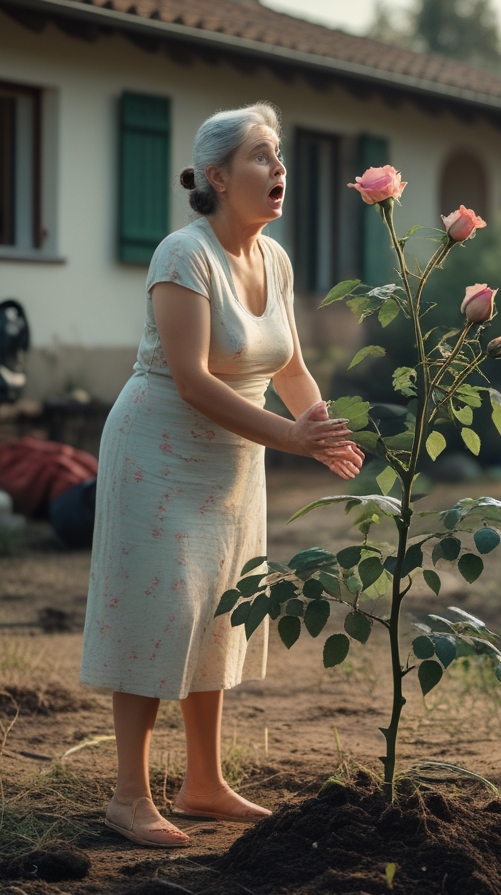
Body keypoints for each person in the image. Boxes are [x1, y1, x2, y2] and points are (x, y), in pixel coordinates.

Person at [80, 102, 364, 848]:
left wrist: (325, 430)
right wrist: (291, 439)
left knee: (218, 610)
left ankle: (202, 783)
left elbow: (291, 365)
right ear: (217, 176)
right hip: (159, 450)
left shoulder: (275, 259)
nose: (278, 171)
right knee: (160, 611)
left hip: (235, 460)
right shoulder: (183, 254)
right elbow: (194, 380)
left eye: (278, 157)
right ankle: (128, 796)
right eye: (262, 157)